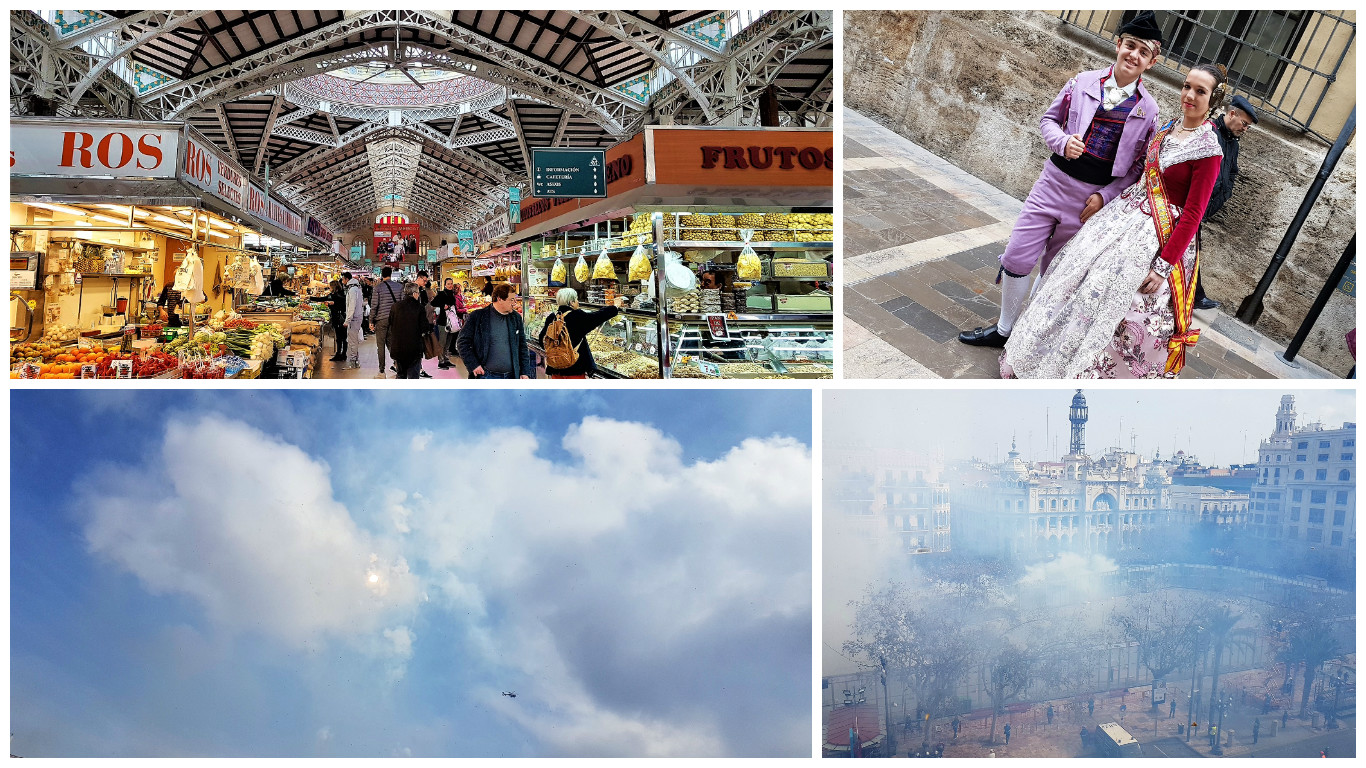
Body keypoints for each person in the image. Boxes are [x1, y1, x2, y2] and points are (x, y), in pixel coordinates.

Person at [1002, 62, 1228, 379]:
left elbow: (1193, 214)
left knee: (1119, 306)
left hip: (1157, 237)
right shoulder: (1168, 128)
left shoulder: (1209, 150)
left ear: (1213, 100)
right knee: (1080, 284)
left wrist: (1164, 265)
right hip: (1122, 217)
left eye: (1200, 91)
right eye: (1187, 86)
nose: (1189, 95)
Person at [959, 11, 1164, 348]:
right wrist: (1061, 141)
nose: (1134, 55)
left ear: (1151, 63)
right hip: (1052, 183)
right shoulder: (1082, 82)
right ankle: (1005, 328)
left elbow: (1137, 168)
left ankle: (1024, 338)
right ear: (1118, 44)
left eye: (1144, 52)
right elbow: (1048, 120)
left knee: (1057, 270)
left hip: (1090, 200)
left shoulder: (1149, 110)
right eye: (1130, 46)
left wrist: (1106, 197)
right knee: (1017, 255)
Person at [1194, 94, 1258, 310]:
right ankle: (1194, 296)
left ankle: (1193, 295)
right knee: (1191, 251)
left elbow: (1232, 172)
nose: (1245, 129)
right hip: (1192, 205)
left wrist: (1224, 195)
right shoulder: (1209, 131)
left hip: (1204, 208)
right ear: (1232, 113)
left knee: (1191, 250)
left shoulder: (1233, 144)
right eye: (1244, 124)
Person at [538, 288, 625, 378]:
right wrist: (615, 307)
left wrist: (556, 352)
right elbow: (598, 317)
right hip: (574, 369)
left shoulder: (552, 318)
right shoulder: (577, 316)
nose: (577, 302)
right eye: (576, 299)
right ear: (571, 302)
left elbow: (542, 340)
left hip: (555, 369)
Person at [457, 282, 531, 379]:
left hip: (512, 376)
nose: (514, 303)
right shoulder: (477, 317)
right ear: (499, 299)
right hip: (486, 375)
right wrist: (473, 364)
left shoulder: (515, 318)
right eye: (511, 300)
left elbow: (522, 346)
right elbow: (462, 342)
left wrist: (525, 372)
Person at [387, 282, 429, 379]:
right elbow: (425, 328)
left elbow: (391, 323)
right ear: (414, 294)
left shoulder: (395, 306)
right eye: (418, 293)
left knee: (401, 375)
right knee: (413, 376)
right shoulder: (419, 308)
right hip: (414, 349)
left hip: (398, 347)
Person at [370, 266, 403, 378]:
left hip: (381, 319)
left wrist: (371, 321)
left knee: (381, 346)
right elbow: (402, 304)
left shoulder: (377, 288)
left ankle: (382, 371)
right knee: (392, 344)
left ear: (381, 274)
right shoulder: (399, 287)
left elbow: (374, 306)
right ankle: (399, 366)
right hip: (395, 320)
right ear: (391, 273)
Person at [432, 277, 461, 369]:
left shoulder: (452, 294)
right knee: (442, 342)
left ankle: (446, 359)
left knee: (448, 342)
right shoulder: (441, 294)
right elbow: (433, 303)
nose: (450, 285)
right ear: (445, 285)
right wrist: (442, 306)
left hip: (451, 322)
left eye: (451, 283)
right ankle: (441, 361)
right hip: (443, 321)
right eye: (448, 284)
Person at [318, 278, 346, 361]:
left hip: (338, 318)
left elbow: (337, 306)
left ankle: (339, 354)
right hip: (342, 317)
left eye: (330, 287)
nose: (329, 288)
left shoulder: (336, 295)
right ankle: (342, 354)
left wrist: (331, 304)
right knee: (343, 337)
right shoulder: (341, 294)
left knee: (340, 337)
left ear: (333, 287)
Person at [342, 271, 364, 368]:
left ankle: (353, 362)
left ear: (347, 279)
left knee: (352, 341)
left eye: (343, 279)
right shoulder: (357, 288)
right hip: (357, 317)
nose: (342, 281)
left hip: (354, 319)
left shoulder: (352, 290)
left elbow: (352, 306)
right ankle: (355, 360)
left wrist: (347, 320)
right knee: (353, 340)